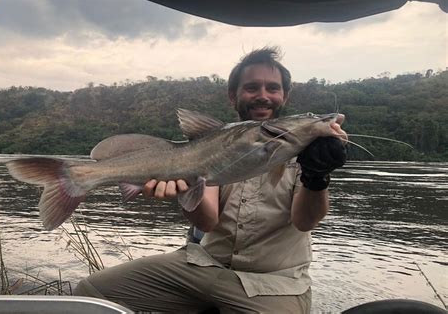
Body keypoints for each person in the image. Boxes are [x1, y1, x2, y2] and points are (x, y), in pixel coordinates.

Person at [74, 46, 348, 313]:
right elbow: (207, 221)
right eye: (252, 87)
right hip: (201, 267)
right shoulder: (213, 144)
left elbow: (305, 221)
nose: (262, 95)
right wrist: (183, 192)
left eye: (272, 88)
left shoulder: (307, 152)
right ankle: (77, 178)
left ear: (284, 96)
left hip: (273, 284)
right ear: (233, 96)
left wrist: (317, 175)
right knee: (91, 293)